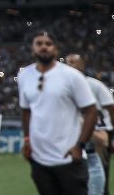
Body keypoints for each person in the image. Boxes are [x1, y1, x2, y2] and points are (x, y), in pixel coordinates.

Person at [18, 30, 96, 195]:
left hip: (68, 158)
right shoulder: (24, 75)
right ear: (32, 48)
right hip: (39, 160)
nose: (44, 47)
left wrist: (79, 146)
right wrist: (27, 139)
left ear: (56, 49)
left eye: (48, 44)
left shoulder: (72, 76)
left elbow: (91, 111)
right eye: (39, 44)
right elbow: (26, 112)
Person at [66, 53, 114, 195]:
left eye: (74, 62)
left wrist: (110, 135)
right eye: (68, 62)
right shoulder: (63, 87)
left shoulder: (95, 85)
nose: (71, 65)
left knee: (100, 185)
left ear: (82, 65)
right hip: (72, 139)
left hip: (97, 138)